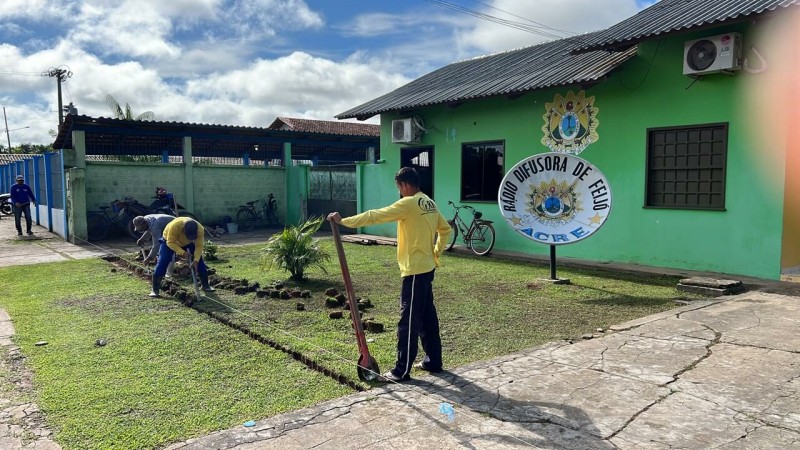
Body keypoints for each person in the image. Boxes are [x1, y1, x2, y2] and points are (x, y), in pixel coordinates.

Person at [327, 167, 451, 382]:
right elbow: (446, 230)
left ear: (404, 185)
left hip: (414, 271)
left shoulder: (408, 203)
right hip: (427, 268)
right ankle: (434, 361)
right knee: (426, 317)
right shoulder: (429, 203)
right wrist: (435, 252)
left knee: (409, 321)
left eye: (398, 187)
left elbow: (376, 216)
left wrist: (344, 221)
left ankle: (400, 371)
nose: (399, 192)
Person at [149, 217, 215, 298]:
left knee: (199, 261)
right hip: (169, 241)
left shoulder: (200, 229)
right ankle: (155, 290)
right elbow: (170, 242)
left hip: (187, 243)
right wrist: (183, 253)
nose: (190, 237)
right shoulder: (175, 226)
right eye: (188, 235)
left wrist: (196, 260)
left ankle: (205, 285)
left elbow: (199, 245)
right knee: (163, 260)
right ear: (183, 229)